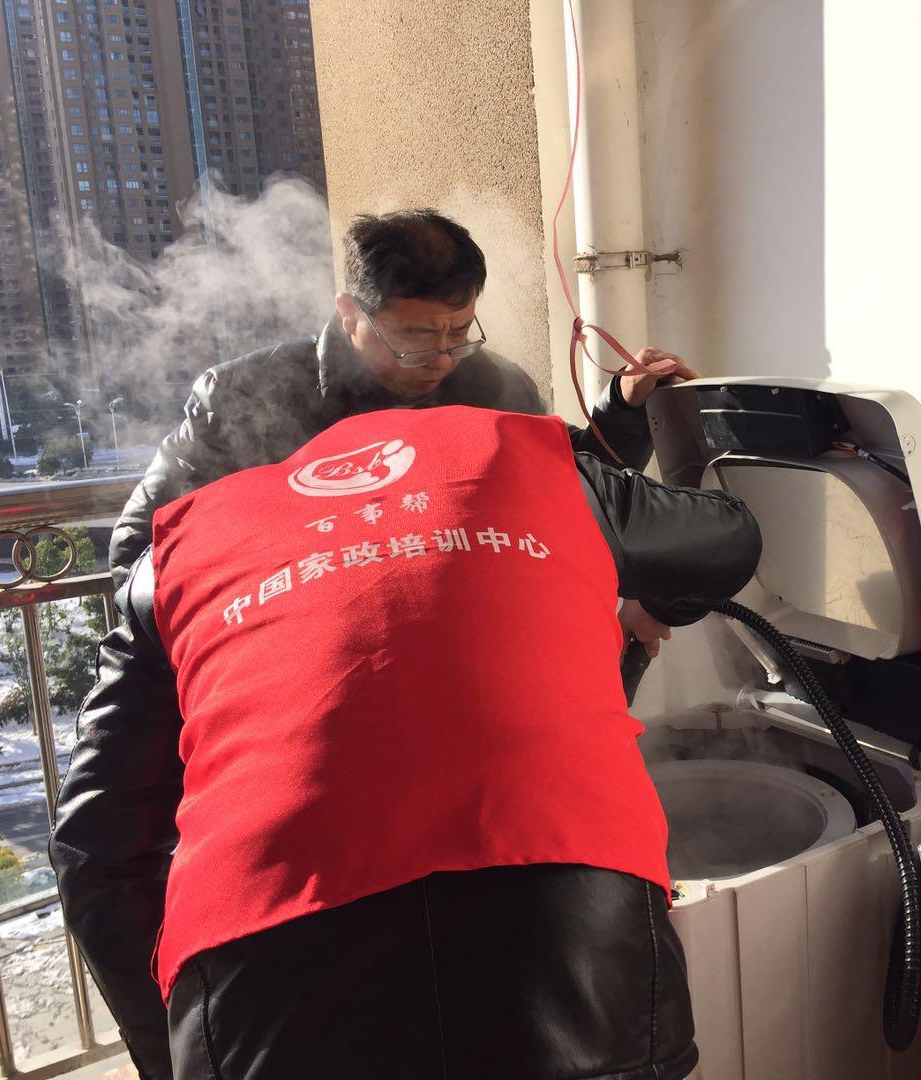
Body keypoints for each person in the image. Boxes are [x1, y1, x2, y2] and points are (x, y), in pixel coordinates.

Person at [52, 404, 761, 1079]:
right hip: (580, 961)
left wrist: (177, 1054)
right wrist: (650, 607)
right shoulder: (525, 459)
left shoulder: (172, 558)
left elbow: (93, 851)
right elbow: (730, 540)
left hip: (256, 996)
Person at [108, 208, 696, 588]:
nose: (440, 358)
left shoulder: (494, 387)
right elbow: (139, 551)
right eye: (413, 336)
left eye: (459, 332)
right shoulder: (241, 396)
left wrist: (625, 408)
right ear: (350, 314)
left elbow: (570, 495)